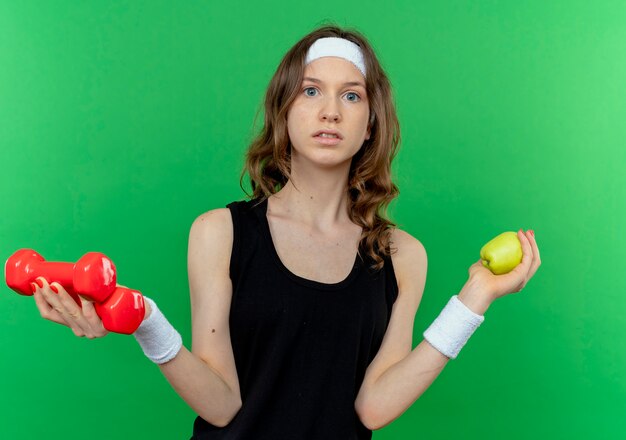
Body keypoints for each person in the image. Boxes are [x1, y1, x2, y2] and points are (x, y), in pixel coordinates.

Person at [31, 24, 541, 439]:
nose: (330, 111)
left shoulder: (402, 254)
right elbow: (223, 404)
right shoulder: (220, 233)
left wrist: (474, 299)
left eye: (351, 96)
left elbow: (373, 408)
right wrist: (145, 321)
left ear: (370, 125)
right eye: (311, 91)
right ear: (284, 111)